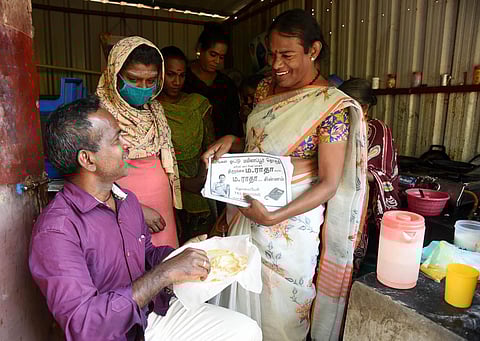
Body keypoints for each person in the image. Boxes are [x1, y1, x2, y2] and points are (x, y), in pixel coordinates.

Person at [29, 96, 262, 341]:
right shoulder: (57, 231)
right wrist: (165, 273)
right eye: (117, 138)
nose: (128, 143)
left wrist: (182, 254)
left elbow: (145, 256)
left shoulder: (126, 200)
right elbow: (86, 325)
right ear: (87, 159)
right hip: (114, 335)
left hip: (149, 316)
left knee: (246, 331)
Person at [203, 9, 368, 341]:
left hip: (290, 227)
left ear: (314, 51)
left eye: (287, 55)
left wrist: (272, 216)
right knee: (237, 305)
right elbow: (257, 145)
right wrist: (230, 141)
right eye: (272, 53)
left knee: (280, 318)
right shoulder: (265, 89)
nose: (276, 64)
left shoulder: (332, 107)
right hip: (246, 211)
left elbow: (329, 183)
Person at [96, 36, 180, 248]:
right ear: (115, 75)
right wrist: (136, 209)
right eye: (133, 79)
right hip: (120, 208)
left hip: (161, 207)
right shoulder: (98, 115)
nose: (143, 87)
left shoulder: (156, 110)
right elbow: (90, 178)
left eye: (150, 81)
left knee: (166, 266)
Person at [338, 78, 400, 275]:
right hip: (342, 198)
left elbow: (381, 174)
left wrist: (346, 171)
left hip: (368, 207)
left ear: (363, 107)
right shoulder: (337, 128)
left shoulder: (378, 130)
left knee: (361, 264)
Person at [159, 45, 216, 244]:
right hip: (164, 188)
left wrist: (200, 179)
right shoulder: (151, 108)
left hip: (198, 186)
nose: (176, 82)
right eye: (171, 75)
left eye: (182, 75)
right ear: (160, 74)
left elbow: (211, 148)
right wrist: (180, 183)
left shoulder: (198, 104)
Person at [184, 22, 243, 139]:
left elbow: (234, 124)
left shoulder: (226, 85)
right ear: (200, 49)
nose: (217, 61)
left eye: (221, 57)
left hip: (220, 150)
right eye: (213, 54)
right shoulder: (183, 79)